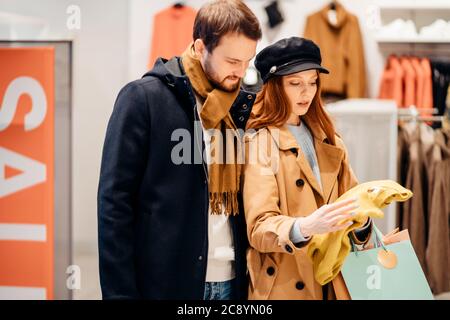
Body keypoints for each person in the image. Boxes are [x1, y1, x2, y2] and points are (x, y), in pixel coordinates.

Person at [97, 0, 262, 299]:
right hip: (166, 283)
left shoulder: (240, 107)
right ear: (201, 48)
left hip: (232, 281)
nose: (241, 72)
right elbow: (114, 205)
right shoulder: (143, 99)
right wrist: (120, 294)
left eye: (247, 61)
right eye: (232, 61)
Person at [242, 37, 372, 300]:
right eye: (295, 83)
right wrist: (305, 227)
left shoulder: (330, 138)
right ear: (274, 86)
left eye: (313, 82)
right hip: (286, 285)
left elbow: (354, 201)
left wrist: (362, 223)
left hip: (335, 282)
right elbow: (259, 228)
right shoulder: (260, 142)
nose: (307, 92)